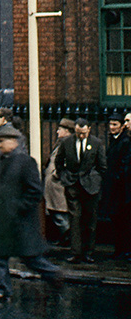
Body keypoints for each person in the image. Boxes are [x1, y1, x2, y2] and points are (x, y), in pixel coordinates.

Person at [0, 124, 62, 302]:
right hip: (4, 221)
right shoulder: (2, 161)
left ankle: (54, 274)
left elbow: (35, 191)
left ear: (13, 141)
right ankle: (3, 290)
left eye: (2, 141)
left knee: (31, 259)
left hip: (20, 222)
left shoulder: (26, 162)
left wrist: (18, 207)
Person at [55, 117, 107, 264]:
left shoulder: (96, 143)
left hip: (91, 187)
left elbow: (102, 166)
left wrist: (96, 179)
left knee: (90, 221)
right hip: (73, 185)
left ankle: (89, 252)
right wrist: (65, 177)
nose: (81, 136)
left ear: (89, 129)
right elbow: (59, 162)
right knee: (75, 219)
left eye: (83, 133)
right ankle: (75, 252)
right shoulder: (66, 142)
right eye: (78, 133)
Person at [102, 112, 131, 260]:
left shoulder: (125, 141)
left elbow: (124, 164)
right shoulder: (114, 140)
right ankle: (120, 249)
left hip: (121, 189)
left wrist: (116, 178)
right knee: (117, 220)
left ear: (121, 127)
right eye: (110, 124)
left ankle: (125, 250)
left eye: (115, 124)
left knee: (123, 220)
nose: (111, 127)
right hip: (114, 188)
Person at [43, 118, 75, 246]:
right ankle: (65, 237)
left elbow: (67, 163)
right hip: (54, 185)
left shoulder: (67, 144)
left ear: (67, 131)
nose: (57, 131)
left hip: (58, 185)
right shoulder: (61, 143)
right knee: (56, 212)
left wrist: (56, 174)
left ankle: (68, 236)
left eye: (60, 129)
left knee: (60, 213)